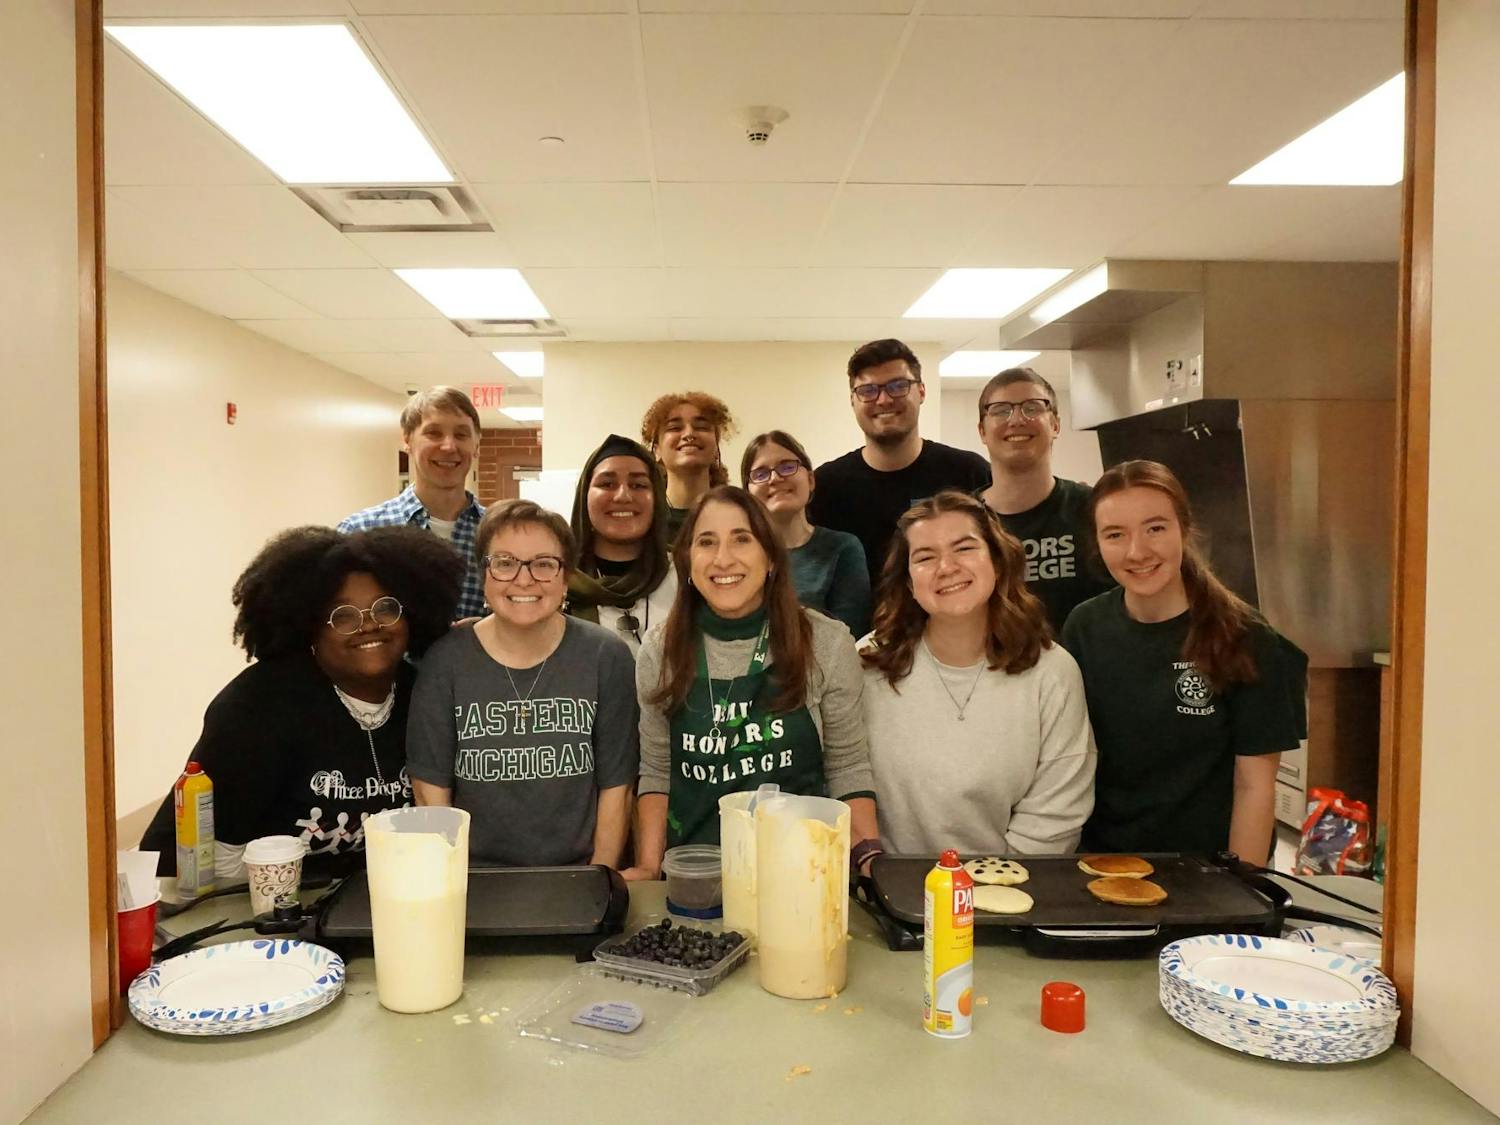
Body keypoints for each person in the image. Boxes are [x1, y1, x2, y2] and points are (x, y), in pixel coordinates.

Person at [140, 526, 465, 879]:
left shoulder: (427, 693)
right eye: (343, 616)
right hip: (259, 905)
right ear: (310, 628)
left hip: (375, 901)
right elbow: (202, 853)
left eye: (385, 609)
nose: (368, 625)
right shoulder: (258, 706)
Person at [628, 486, 882, 880]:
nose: (723, 558)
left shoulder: (826, 642)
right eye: (706, 542)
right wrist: (648, 867)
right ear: (688, 563)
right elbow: (657, 771)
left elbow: (848, 766)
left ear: (770, 559)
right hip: (696, 875)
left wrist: (868, 862)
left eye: (742, 539)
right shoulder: (660, 649)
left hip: (804, 876)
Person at [1061, 460, 1308, 863]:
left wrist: (1240, 891)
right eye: (1115, 534)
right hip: (1102, 864)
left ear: (1184, 528)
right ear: (1097, 543)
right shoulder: (1084, 627)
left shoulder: (1246, 638)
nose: (1137, 551)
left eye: (1155, 528)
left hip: (1207, 871)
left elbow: (1254, 786)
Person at [860, 491, 1095, 857]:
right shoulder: (868, 661)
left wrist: (991, 896)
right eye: (925, 557)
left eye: (964, 548)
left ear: (998, 560)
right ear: (908, 582)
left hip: (1009, 895)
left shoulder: (1051, 670)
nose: (946, 567)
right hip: (886, 893)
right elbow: (842, 781)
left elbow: (1056, 815)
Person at [406, 499, 638, 869]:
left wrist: (599, 881)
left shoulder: (605, 656)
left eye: (544, 564)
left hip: (576, 875)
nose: (524, 579)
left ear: (566, 578)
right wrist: (451, 882)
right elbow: (430, 790)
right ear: (483, 574)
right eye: (505, 563)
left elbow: (617, 787)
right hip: (475, 879)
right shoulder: (445, 661)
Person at [808, 339, 990, 588]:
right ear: (853, 400)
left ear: (922, 391)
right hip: (859, 627)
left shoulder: (969, 472)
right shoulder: (825, 487)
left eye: (898, 386)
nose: (883, 400)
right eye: (868, 390)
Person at [975, 367, 1113, 635]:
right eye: (1001, 410)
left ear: (1055, 425)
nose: (1016, 419)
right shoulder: (963, 522)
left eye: (1033, 407)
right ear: (982, 431)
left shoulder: (1095, 510)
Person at [339, 386, 488, 622]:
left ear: (477, 445)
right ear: (407, 440)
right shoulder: (359, 532)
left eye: (461, 435)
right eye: (434, 433)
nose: (449, 446)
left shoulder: (497, 535)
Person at [741, 430, 871, 637]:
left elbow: (849, 637)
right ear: (747, 491)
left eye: (787, 467)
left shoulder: (842, 548)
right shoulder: (737, 555)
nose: (774, 478)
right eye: (761, 474)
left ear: (810, 480)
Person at [565, 434, 678, 654]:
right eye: (607, 484)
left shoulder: (685, 574)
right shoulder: (557, 579)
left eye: (638, 485)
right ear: (584, 495)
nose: (623, 496)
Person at [640, 390, 736, 542]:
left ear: (716, 447)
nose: (689, 434)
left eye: (701, 427)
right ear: (657, 450)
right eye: (674, 428)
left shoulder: (738, 514)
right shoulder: (642, 519)